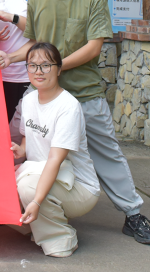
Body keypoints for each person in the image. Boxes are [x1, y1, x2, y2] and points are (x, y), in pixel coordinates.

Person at [0, 0, 150, 246]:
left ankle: (133, 213)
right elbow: (35, 43)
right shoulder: (37, 0)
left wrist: (53, 67)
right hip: (41, 97)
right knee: (25, 150)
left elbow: (94, 47)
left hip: (84, 93)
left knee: (106, 153)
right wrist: (11, 58)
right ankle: (25, 208)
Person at [10, 41, 101, 257]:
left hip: (78, 186)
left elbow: (54, 160)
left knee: (27, 188)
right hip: (44, 174)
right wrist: (21, 150)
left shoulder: (68, 107)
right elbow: (28, 136)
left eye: (46, 65)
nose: (38, 71)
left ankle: (61, 239)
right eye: (32, 65)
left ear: (59, 69)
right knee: (3, 184)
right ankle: (37, 225)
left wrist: (36, 201)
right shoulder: (29, 100)